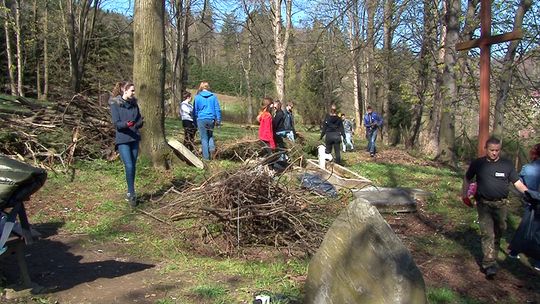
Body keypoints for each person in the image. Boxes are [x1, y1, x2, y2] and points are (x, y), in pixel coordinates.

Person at [461, 137, 528, 279]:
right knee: (488, 234)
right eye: (491, 150)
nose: (494, 153)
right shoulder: (478, 164)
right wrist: (464, 195)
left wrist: (529, 193)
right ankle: (489, 264)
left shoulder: (507, 165)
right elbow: (467, 178)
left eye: (497, 150)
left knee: (499, 232)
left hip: (501, 205)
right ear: (486, 149)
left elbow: (517, 183)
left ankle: (492, 257)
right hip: (484, 204)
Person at [110, 82, 144, 207]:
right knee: (129, 165)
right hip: (123, 139)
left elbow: (139, 118)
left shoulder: (134, 104)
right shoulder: (115, 104)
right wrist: (127, 124)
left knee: (133, 166)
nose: (134, 93)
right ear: (125, 91)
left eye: (134, 91)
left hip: (134, 138)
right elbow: (117, 124)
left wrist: (140, 123)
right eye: (132, 91)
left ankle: (131, 189)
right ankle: (131, 193)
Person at [508, 143, 540, 270]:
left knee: (525, 225)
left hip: (530, 200)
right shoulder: (528, 168)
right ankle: (538, 261)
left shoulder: (527, 168)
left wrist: (527, 195)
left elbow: (518, 184)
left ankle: (514, 251)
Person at [193, 81, 222, 160]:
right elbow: (217, 109)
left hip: (201, 119)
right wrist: (218, 120)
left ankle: (206, 158)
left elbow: (195, 111)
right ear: (208, 87)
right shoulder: (213, 97)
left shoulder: (197, 97)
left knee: (204, 138)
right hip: (211, 119)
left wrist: (195, 122)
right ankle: (213, 153)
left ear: (201, 87)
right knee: (210, 136)